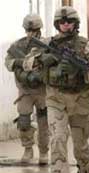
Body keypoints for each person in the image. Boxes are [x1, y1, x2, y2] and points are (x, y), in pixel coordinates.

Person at [23, 6, 89, 173]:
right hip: (56, 99)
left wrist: (81, 73)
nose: (65, 25)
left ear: (75, 24)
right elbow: (27, 62)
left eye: (69, 22)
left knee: (80, 147)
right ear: (56, 24)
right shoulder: (47, 44)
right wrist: (42, 59)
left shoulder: (86, 46)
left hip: (80, 102)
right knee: (58, 140)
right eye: (62, 22)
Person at [5, 14, 49, 165]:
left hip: (42, 91)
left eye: (34, 30)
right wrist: (19, 62)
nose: (31, 33)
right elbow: (8, 62)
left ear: (39, 29)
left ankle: (44, 151)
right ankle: (28, 149)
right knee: (23, 121)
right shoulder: (18, 46)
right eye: (28, 30)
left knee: (44, 122)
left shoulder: (47, 45)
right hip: (24, 91)